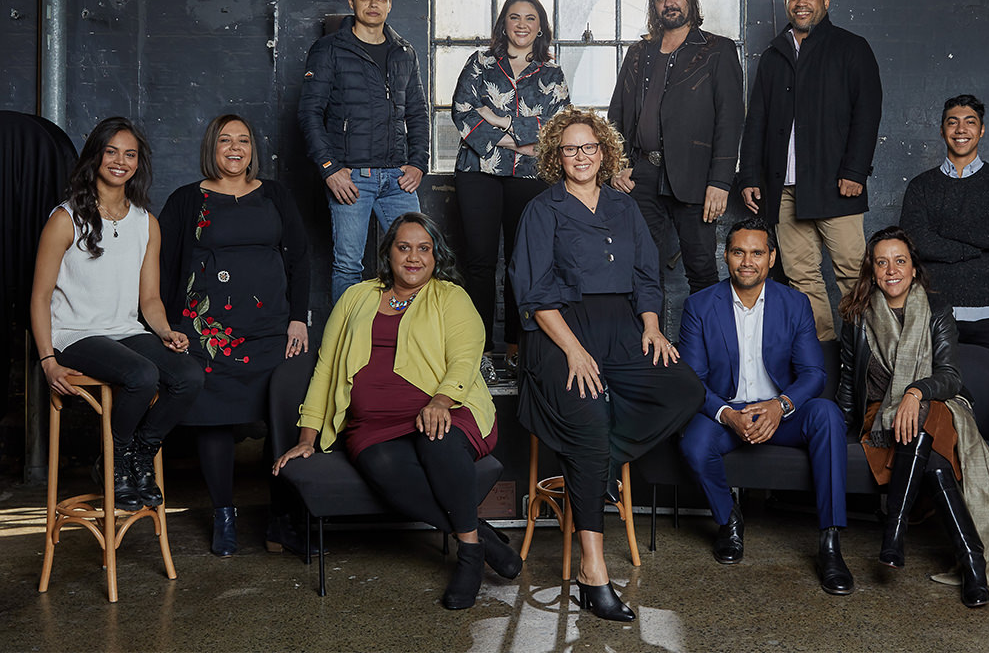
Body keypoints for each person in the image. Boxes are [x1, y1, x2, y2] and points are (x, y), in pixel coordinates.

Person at [509, 108, 704, 621]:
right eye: (570, 148)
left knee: (685, 388)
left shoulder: (624, 207)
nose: (580, 156)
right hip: (559, 330)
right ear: (557, 155)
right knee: (591, 413)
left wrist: (652, 325)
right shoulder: (542, 209)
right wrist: (573, 349)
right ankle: (594, 571)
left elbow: (646, 274)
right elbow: (531, 292)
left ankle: (589, 466)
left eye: (589, 147)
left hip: (623, 325)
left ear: (604, 153)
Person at [273, 213, 520, 610]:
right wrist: (307, 437)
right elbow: (326, 368)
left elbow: (465, 358)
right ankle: (485, 538)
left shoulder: (451, 297)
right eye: (403, 247)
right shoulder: (356, 297)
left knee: (436, 439)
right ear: (387, 253)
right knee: (381, 464)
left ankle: (471, 555)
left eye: (424, 249)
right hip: (374, 424)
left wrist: (440, 401)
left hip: (449, 408)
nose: (413, 258)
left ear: (436, 256)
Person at [836, 227, 989, 608]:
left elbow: (950, 376)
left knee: (922, 413)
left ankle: (894, 529)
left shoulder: (937, 310)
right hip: (880, 418)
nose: (892, 270)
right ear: (872, 270)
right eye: (882, 262)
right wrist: (839, 431)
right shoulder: (856, 314)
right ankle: (972, 562)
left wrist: (915, 391)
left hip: (939, 405)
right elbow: (846, 380)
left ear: (913, 268)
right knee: (936, 466)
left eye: (900, 261)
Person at [159, 114, 314, 557]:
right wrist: (169, 327)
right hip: (207, 333)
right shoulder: (187, 200)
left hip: (272, 329)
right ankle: (224, 516)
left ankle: (281, 519)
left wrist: (299, 318)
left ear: (252, 149)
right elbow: (166, 267)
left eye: (243, 140)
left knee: (283, 419)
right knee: (214, 418)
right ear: (212, 147)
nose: (234, 148)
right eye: (225, 140)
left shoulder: (275, 195)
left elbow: (300, 258)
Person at [30, 116, 204, 512]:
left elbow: (150, 301)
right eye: (112, 152)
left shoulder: (146, 223)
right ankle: (114, 462)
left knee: (189, 375)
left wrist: (163, 332)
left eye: (130, 154)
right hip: (74, 335)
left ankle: (138, 455)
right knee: (141, 376)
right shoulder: (65, 218)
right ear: (96, 156)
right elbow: (39, 297)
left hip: (125, 331)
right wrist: (47, 361)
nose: (120, 161)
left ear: (138, 163)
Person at [676, 217, 853, 595]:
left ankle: (831, 544)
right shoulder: (699, 306)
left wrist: (780, 405)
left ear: (771, 258)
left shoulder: (794, 303)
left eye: (757, 253)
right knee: (693, 444)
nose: (747, 261)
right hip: (728, 412)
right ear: (726, 256)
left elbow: (813, 373)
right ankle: (728, 520)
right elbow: (692, 380)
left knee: (826, 414)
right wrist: (728, 414)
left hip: (780, 415)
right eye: (738, 252)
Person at [899, 94, 989, 533]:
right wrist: (976, 245)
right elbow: (917, 241)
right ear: (942, 130)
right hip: (939, 312)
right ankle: (931, 489)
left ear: (982, 130)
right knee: (934, 399)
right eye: (953, 122)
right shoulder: (922, 186)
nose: (961, 129)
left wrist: (945, 235)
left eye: (971, 122)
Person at [739, 0, 883, 342]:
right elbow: (757, 120)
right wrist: (750, 177)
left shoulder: (851, 48)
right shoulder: (774, 56)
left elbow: (867, 113)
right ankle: (824, 360)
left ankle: (869, 356)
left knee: (853, 272)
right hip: (784, 190)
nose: (801, 3)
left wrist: (855, 171)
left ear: (826, 2)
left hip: (837, 186)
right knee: (802, 277)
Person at [451, 0, 569, 382]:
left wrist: (498, 120)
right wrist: (519, 135)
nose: (521, 24)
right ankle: (480, 351)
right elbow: (463, 113)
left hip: (530, 178)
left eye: (530, 18)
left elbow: (555, 131)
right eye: (514, 17)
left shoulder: (552, 74)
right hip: (478, 173)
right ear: (504, 23)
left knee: (522, 265)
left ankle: (518, 350)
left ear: (541, 27)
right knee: (481, 263)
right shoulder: (480, 64)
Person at [608, 0, 744, 301]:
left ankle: (707, 352)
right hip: (642, 175)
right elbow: (616, 117)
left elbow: (731, 120)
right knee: (641, 268)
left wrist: (721, 182)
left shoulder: (717, 50)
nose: (669, 2)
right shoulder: (638, 53)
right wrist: (616, 165)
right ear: (653, 6)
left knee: (701, 267)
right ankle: (646, 349)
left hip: (697, 176)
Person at [297, 0, 430, 302]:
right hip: (352, 178)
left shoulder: (404, 52)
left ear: (390, 4)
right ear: (351, 1)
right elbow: (309, 112)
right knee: (348, 267)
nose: (374, 5)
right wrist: (330, 168)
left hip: (397, 178)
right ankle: (346, 347)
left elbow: (417, 112)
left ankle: (410, 341)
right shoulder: (329, 49)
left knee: (418, 262)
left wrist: (417, 163)